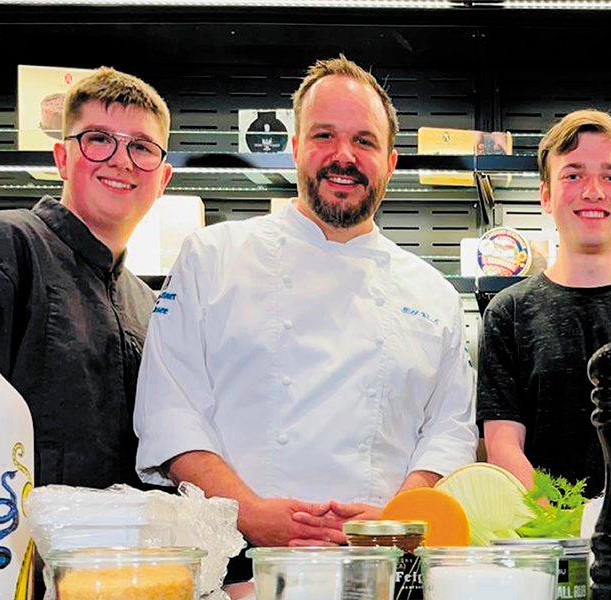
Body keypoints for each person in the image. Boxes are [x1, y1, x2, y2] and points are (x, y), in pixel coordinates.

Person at [132, 56, 477, 555]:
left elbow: (450, 430)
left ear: (391, 161)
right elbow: (170, 412)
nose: (344, 156)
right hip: (239, 563)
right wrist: (248, 515)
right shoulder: (211, 257)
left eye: (364, 141)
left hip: (380, 566)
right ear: (295, 148)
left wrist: (396, 520)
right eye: (323, 136)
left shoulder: (432, 293)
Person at [0, 67, 173, 489]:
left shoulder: (148, 305)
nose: (120, 159)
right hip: (3, 549)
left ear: (163, 178)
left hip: (113, 554)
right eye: (98, 139)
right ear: (61, 158)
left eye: (142, 147)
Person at [478, 109, 611, 491]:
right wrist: (559, 516)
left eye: (610, 176)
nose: (593, 191)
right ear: (546, 194)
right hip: (541, 537)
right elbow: (502, 444)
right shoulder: (508, 313)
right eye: (573, 174)